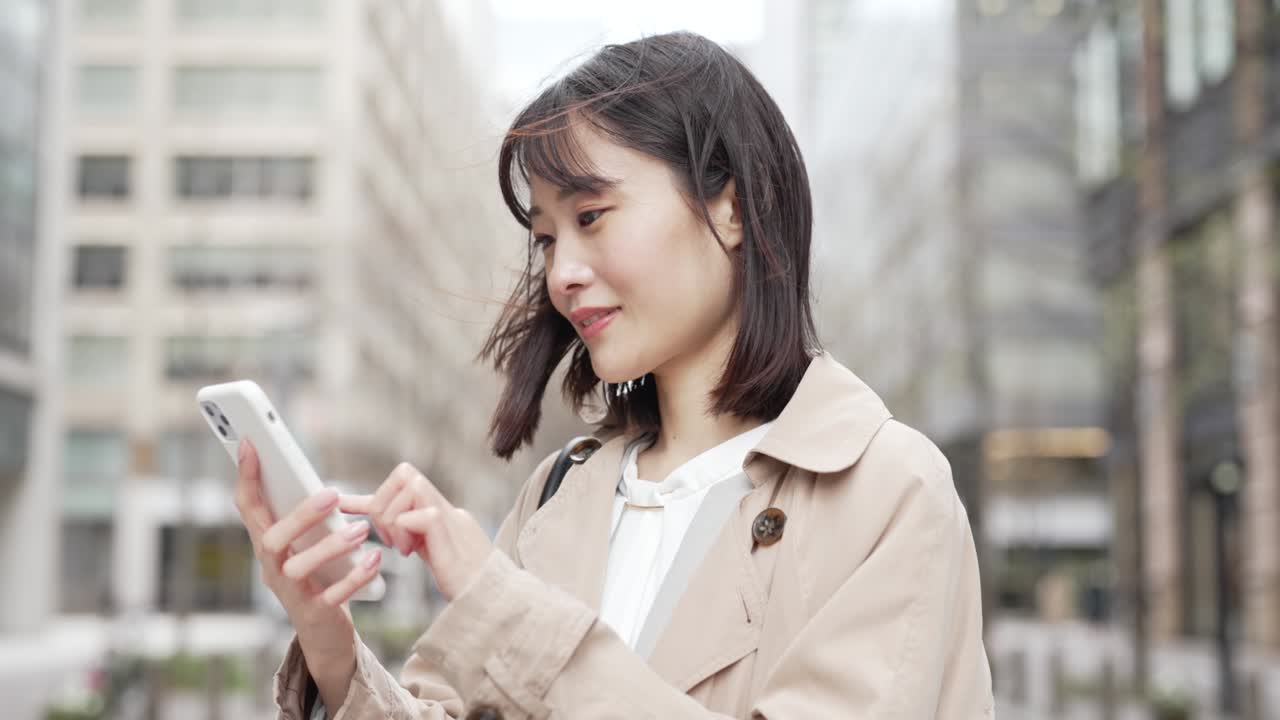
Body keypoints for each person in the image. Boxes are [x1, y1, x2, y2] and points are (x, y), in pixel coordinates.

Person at [233, 31, 994, 720]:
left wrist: (502, 608)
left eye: (591, 216)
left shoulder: (886, 490)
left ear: (729, 206)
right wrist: (328, 642)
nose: (562, 273)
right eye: (545, 238)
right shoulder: (563, 492)